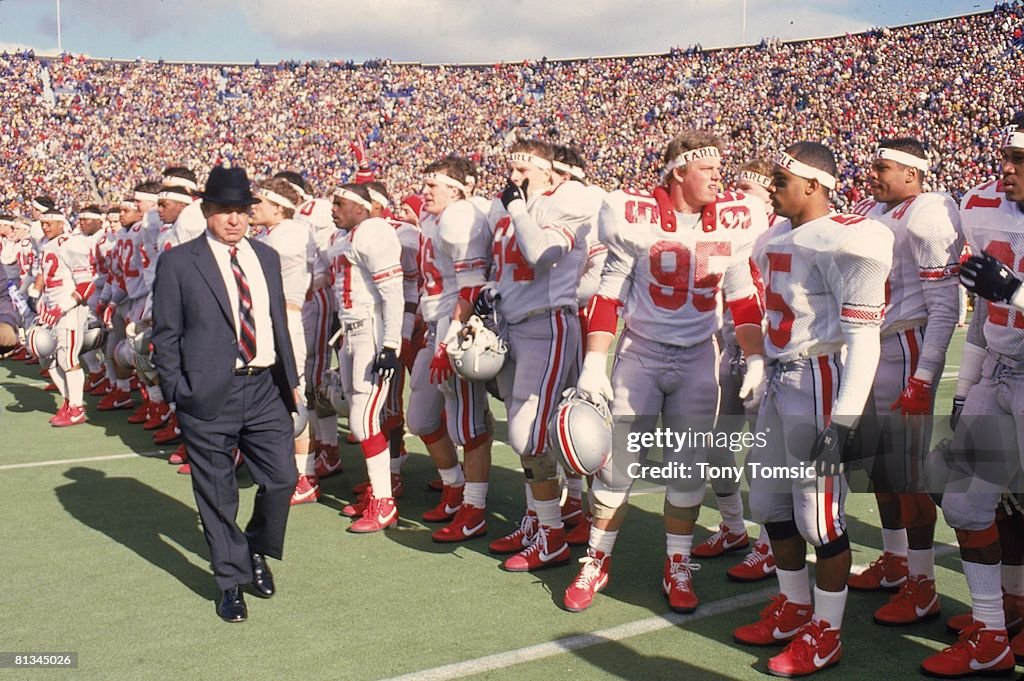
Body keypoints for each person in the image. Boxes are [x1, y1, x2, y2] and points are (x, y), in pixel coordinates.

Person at [564, 132, 767, 612]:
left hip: (698, 356)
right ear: (678, 171)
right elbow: (609, 295)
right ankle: (596, 560)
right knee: (616, 468)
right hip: (642, 354)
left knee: (688, 471)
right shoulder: (635, 217)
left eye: (719, 169)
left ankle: (677, 564)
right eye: (708, 169)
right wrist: (593, 362)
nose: (719, 177)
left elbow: (742, 298)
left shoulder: (733, 220)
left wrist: (756, 357)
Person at [734, 143, 892, 677]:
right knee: (768, 503)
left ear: (813, 185)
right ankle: (794, 606)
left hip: (818, 378)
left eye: (781, 180)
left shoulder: (851, 236)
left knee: (818, 519)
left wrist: (843, 424)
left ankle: (826, 632)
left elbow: (863, 340)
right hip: (781, 379)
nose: (772, 187)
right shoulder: (773, 236)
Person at [151, 165, 300, 623]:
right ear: (206, 212)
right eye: (224, 210)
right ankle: (230, 581)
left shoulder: (266, 257)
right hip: (208, 393)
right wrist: (178, 392)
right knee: (217, 494)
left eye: (241, 210)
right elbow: (166, 334)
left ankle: (254, 547)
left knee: (282, 479)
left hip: (266, 387)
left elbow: (276, 322)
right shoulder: (179, 262)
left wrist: (291, 381)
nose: (234, 219)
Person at [921, 121, 1024, 677]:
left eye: (1019, 159)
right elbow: (986, 308)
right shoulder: (983, 206)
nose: (1006, 167)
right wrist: (964, 393)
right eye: (1006, 155)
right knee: (963, 501)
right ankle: (993, 631)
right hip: (1001, 373)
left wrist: (1017, 291)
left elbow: (1006, 291)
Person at [847, 138, 962, 627]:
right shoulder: (869, 209)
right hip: (871, 345)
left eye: (883, 167)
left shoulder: (928, 214)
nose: (872, 174)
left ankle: (923, 585)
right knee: (876, 467)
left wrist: (924, 375)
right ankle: (895, 560)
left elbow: (945, 306)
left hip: (904, 343)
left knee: (907, 472)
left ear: (912, 174)